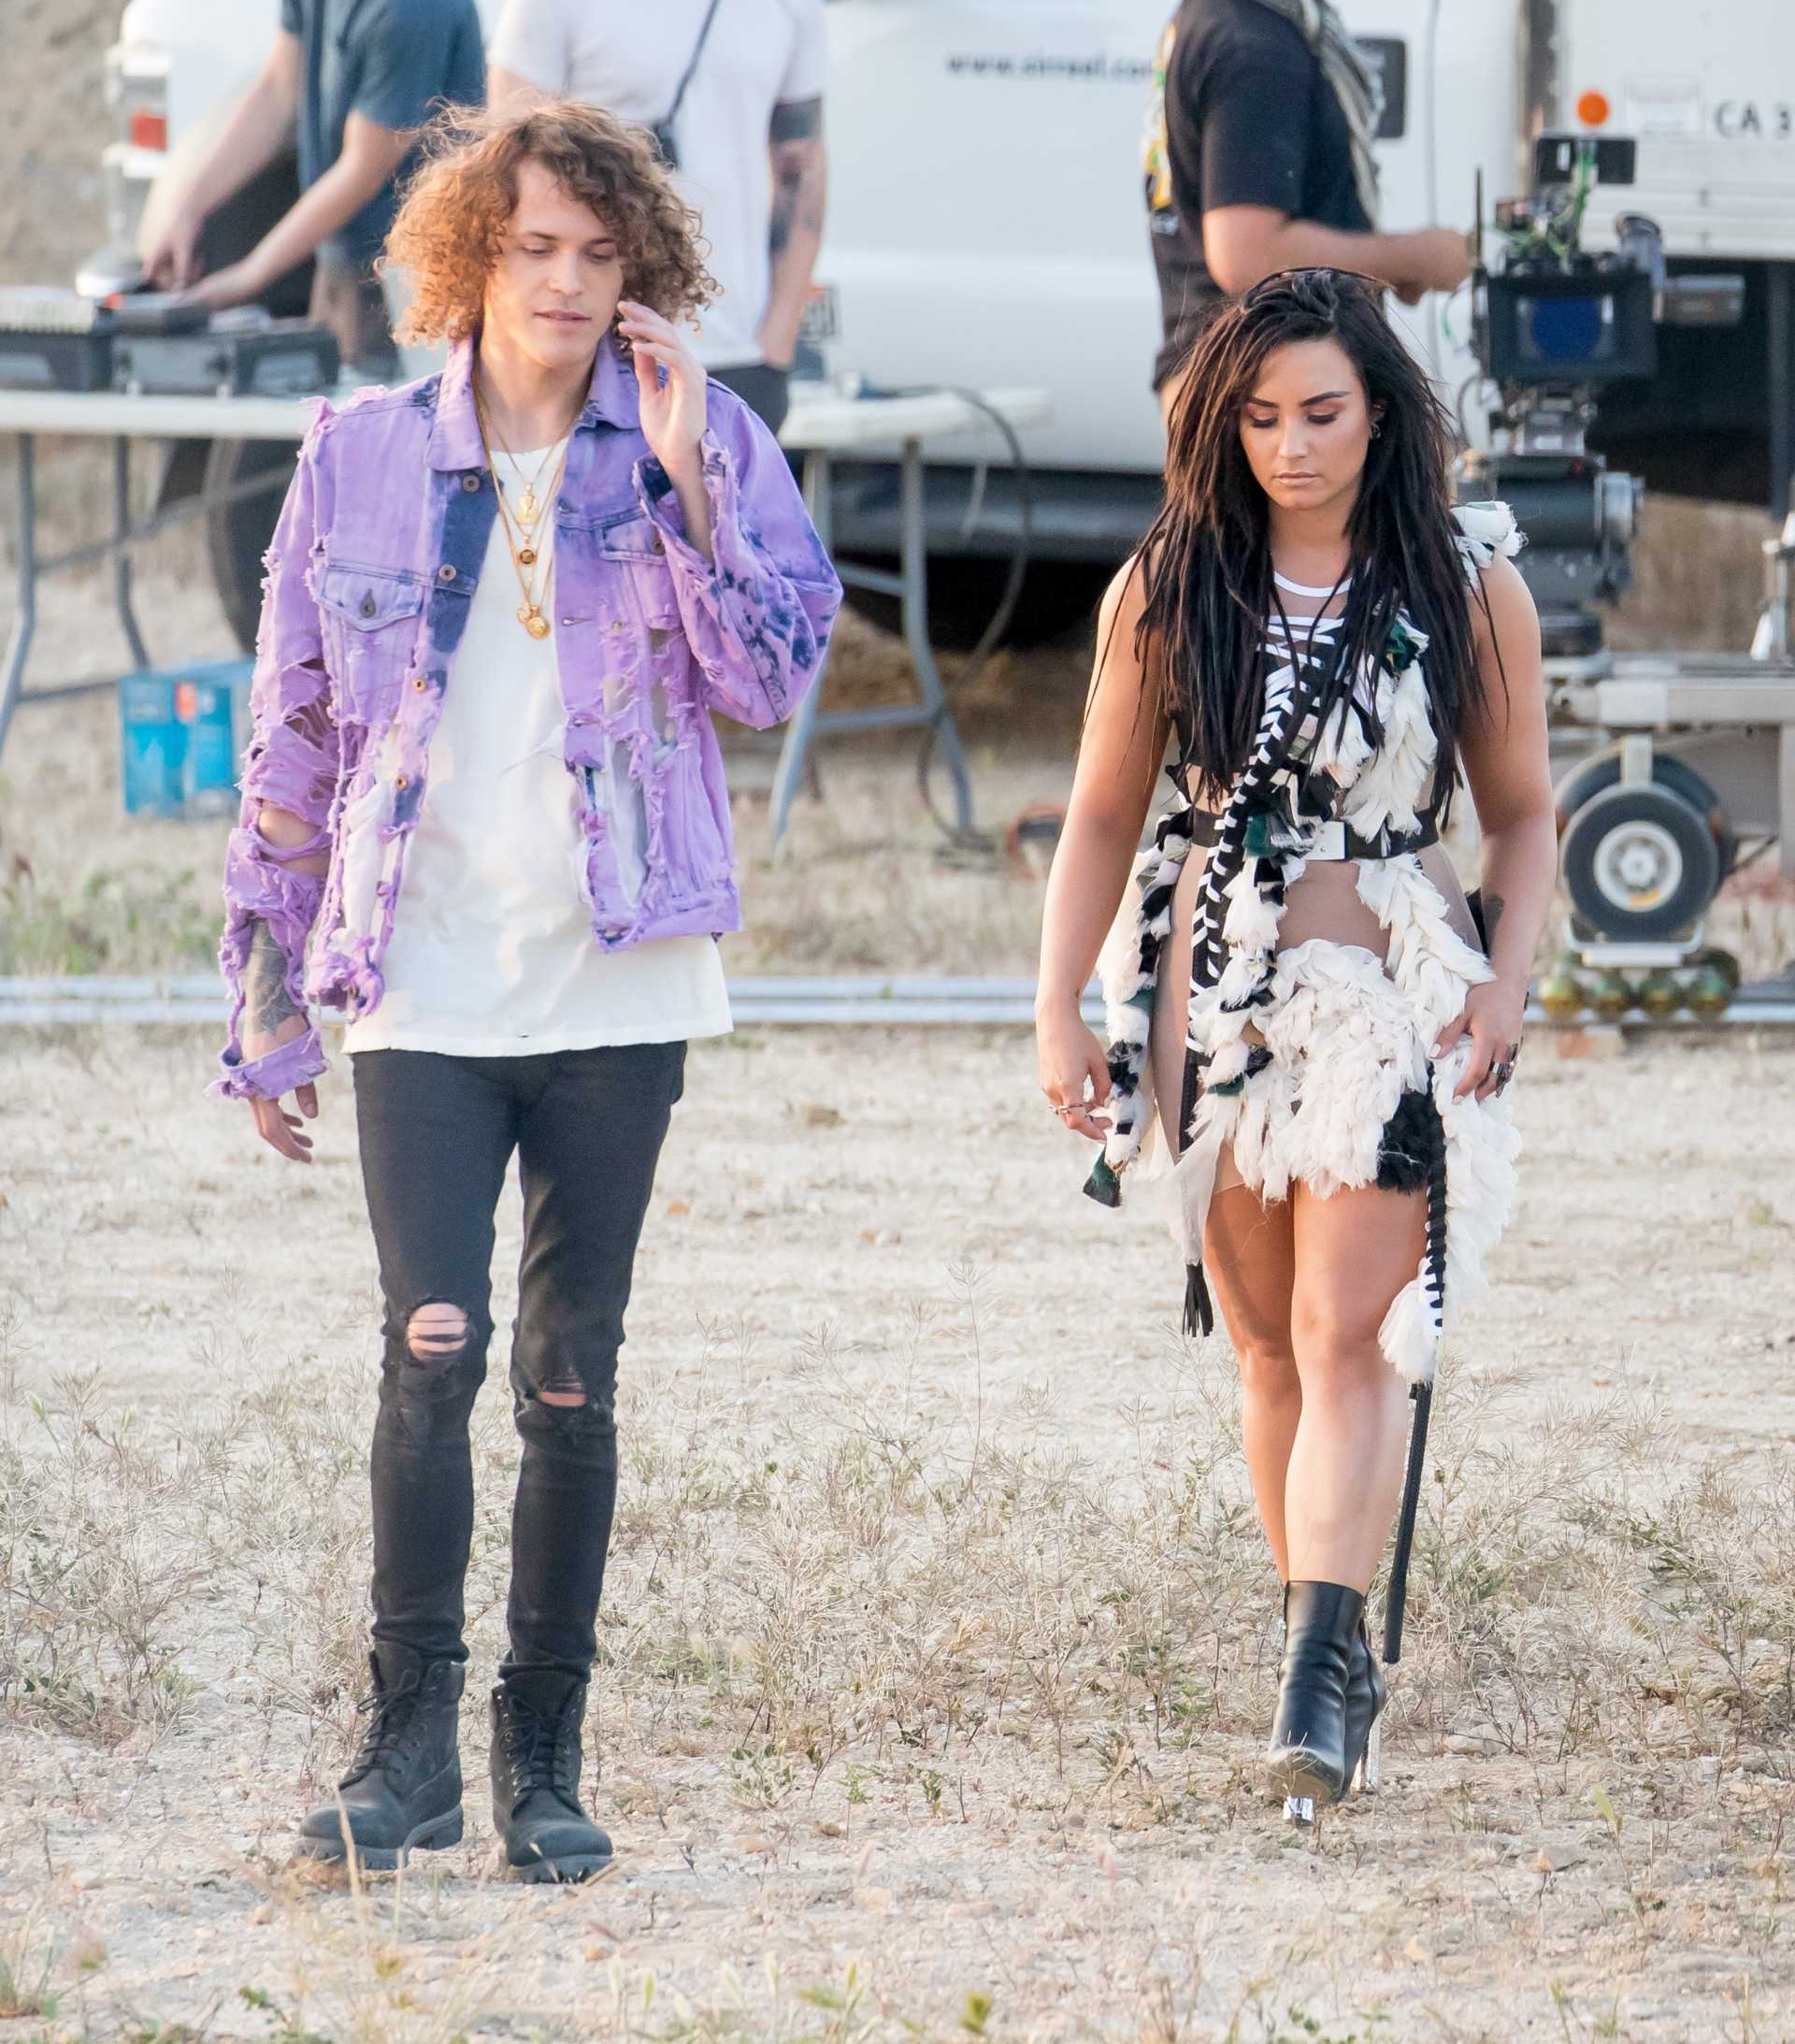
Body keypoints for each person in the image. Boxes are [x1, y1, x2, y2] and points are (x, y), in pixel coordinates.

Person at [210, 99, 841, 1881]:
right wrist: (264, 997)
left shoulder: (701, 437)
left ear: (641, 269)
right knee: (433, 1347)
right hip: (418, 974)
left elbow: (770, 679)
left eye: (598, 252)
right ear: (470, 258)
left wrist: (692, 479)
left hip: (617, 977)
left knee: (569, 1376)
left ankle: (542, 1761)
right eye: (533, 247)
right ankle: (404, 1747)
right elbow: (292, 735)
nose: (565, 281)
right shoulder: (358, 453)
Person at [1035, 269, 1556, 1812]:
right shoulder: (1171, 584)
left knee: (1345, 1330)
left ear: (1381, 412)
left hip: (1390, 992)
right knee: (1264, 1342)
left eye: (1322, 412)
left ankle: (1318, 1680)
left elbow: (1525, 812)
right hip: (1212, 997)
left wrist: (1506, 981)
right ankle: (1316, 1641)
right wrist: (1057, 1005)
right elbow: (1101, 814)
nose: (1292, 446)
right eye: (1260, 418)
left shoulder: (1465, 584)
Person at [485, 0, 827, 435]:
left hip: (737, 355)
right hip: (591, 355)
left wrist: (777, 340)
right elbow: (507, 166)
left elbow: (802, 164)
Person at [1142, 0, 1471, 420]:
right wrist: (1416, 258)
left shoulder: (1222, 18)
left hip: (1245, 381)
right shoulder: (1252, 44)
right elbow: (1247, 255)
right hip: (1259, 392)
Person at [140, 0, 484, 377]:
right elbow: (277, 91)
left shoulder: (413, 13)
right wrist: (187, 209)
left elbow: (363, 169)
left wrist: (247, 277)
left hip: (408, 281)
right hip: (338, 260)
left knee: (382, 406)